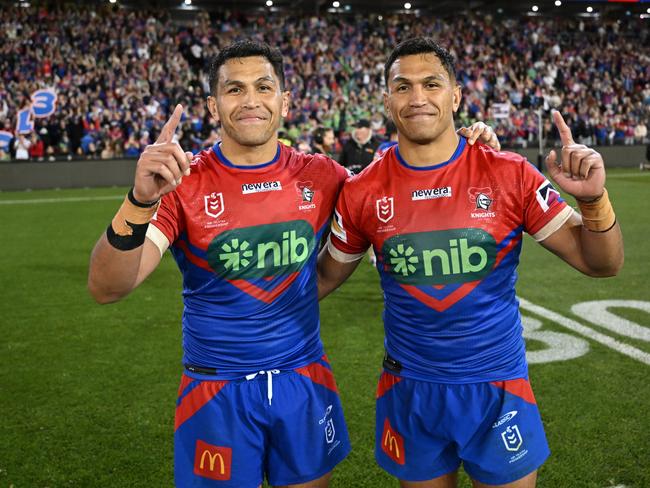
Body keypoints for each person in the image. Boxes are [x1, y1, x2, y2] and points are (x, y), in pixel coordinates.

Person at [317, 37, 623, 488]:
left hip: (497, 385)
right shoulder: (362, 191)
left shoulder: (509, 172)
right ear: (386, 99)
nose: (417, 97)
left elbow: (602, 264)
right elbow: (324, 276)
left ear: (456, 95)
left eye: (432, 84)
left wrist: (594, 200)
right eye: (402, 87)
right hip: (411, 386)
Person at [88, 40, 352, 488]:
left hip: (303, 379)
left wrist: (466, 146)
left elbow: (398, 191)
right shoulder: (183, 184)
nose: (250, 100)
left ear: (285, 101)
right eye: (235, 89)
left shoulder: (322, 175)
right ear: (214, 105)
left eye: (264, 87)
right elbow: (108, 286)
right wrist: (139, 200)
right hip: (216, 390)